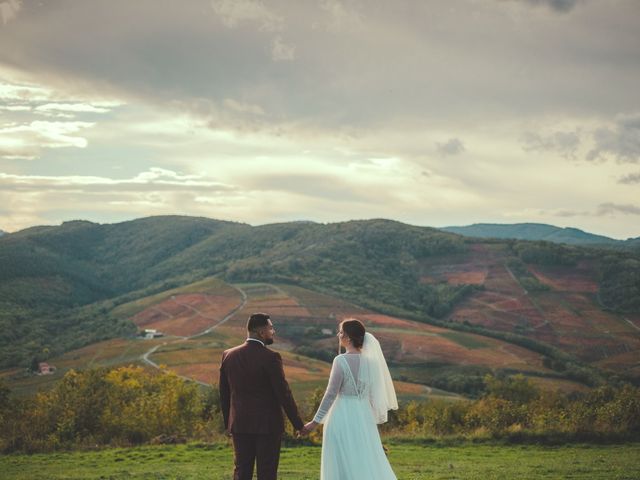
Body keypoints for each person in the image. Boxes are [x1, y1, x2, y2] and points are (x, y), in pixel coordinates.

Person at [302, 318, 398, 479]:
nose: (338, 335)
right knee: (362, 458)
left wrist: (315, 422)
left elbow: (331, 393)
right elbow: (374, 397)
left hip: (341, 415)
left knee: (340, 458)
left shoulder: (340, 360)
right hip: (364, 415)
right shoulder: (372, 363)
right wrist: (369, 426)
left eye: (340, 332)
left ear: (348, 337)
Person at [219, 312, 304, 480]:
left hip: (239, 423)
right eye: (271, 328)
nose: (273, 331)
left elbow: (224, 392)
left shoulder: (228, 355)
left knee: (241, 471)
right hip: (268, 425)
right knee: (267, 472)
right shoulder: (271, 357)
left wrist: (228, 423)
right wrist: (298, 424)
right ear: (261, 332)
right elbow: (283, 393)